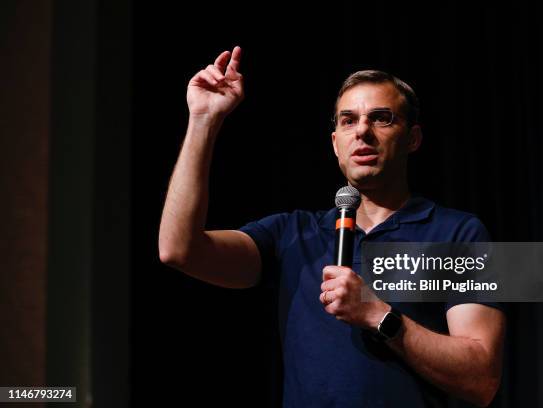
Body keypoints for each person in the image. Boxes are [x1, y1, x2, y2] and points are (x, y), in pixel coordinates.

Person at [159, 46, 505, 407]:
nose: (363, 132)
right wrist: (203, 120)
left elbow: (481, 380)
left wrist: (378, 315)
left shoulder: (458, 234)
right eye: (348, 120)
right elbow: (179, 250)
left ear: (413, 138)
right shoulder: (292, 234)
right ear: (335, 144)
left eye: (382, 118)